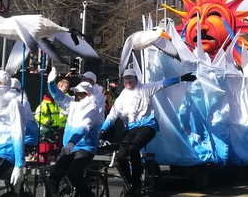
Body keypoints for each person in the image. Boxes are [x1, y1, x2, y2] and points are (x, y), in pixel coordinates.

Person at [99, 68, 196, 196]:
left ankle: (136, 183)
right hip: (131, 128)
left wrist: (181, 78)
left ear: (136, 79)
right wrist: (102, 130)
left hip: (147, 126)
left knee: (133, 148)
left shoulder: (145, 89)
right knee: (120, 156)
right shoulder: (121, 97)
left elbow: (163, 84)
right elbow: (112, 116)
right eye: (126, 79)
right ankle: (130, 183)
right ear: (123, 81)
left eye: (131, 78)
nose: (128, 81)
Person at [47, 68, 104, 197]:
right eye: (77, 93)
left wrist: (72, 142)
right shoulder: (74, 103)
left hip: (86, 147)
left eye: (81, 94)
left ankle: (89, 195)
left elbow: (84, 126)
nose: (78, 95)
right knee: (55, 172)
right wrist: (51, 83)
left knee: (73, 173)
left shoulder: (93, 106)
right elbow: (59, 97)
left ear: (88, 94)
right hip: (69, 146)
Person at [11, 78, 39, 149]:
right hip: (21, 138)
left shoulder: (22, 102)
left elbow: (17, 120)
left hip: (27, 139)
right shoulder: (16, 101)